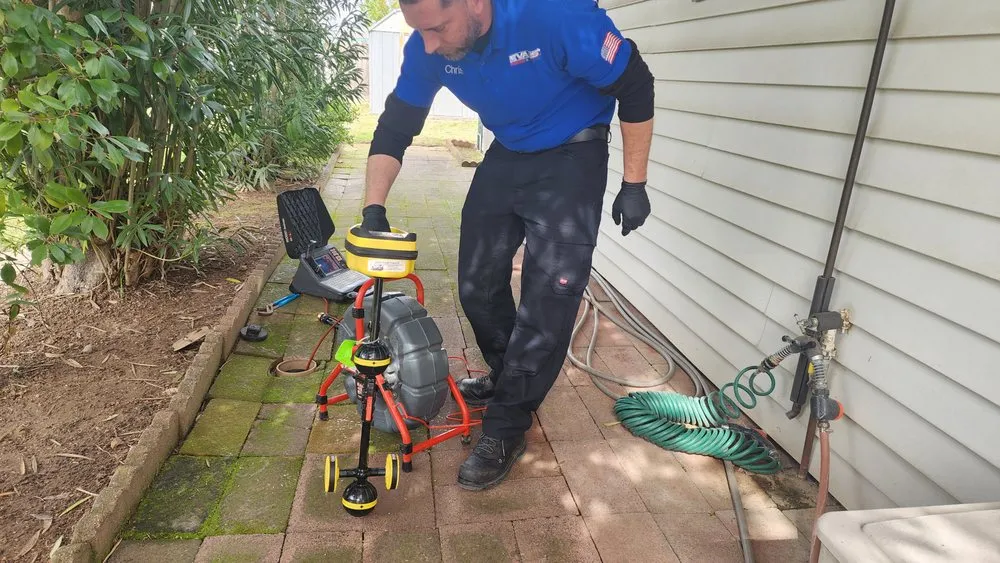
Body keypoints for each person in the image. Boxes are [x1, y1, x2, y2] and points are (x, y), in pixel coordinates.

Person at [360, 0, 654, 490]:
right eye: (420, 32)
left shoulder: (554, 18)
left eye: (436, 27)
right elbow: (395, 126)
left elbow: (636, 81)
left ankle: (506, 426)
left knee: (549, 300)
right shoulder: (428, 45)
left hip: (572, 155)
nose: (427, 44)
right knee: (476, 285)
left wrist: (635, 183)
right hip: (509, 151)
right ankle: (506, 379)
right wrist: (374, 209)